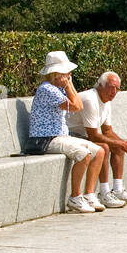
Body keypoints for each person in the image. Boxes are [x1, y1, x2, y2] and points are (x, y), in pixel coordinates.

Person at [27, 51, 107, 212]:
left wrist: (68, 86)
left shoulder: (59, 88)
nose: (70, 75)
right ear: (57, 74)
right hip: (46, 139)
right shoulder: (47, 89)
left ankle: (89, 195)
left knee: (99, 151)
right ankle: (75, 198)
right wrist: (69, 85)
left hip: (61, 136)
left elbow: (77, 104)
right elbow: (77, 107)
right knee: (83, 154)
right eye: (67, 73)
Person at [69, 71, 127, 207]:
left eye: (117, 88)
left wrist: (124, 144)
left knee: (118, 146)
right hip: (71, 135)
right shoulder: (90, 99)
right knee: (104, 147)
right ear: (100, 86)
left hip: (85, 136)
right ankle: (104, 192)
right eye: (111, 87)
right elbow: (93, 136)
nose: (114, 92)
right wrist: (122, 144)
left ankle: (118, 189)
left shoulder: (106, 101)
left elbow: (107, 131)